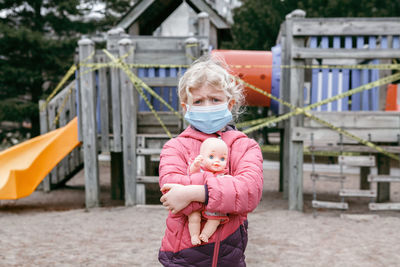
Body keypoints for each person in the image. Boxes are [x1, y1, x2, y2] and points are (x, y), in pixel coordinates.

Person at [158, 54, 264, 267]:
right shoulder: (174, 147)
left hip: (230, 256)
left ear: (230, 103)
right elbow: (172, 194)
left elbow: (249, 193)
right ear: (186, 107)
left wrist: (193, 193)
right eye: (198, 101)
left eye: (215, 99)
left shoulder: (245, 146)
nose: (207, 106)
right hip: (181, 257)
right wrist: (225, 192)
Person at [188, 137, 230, 245]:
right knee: (193, 217)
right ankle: (194, 235)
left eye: (222, 159)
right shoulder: (200, 170)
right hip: (197, 202)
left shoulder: (223, 175)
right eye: (211, 156)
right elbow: (192, 175)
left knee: (215, 220)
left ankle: (205, 235)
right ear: (202, 157)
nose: (217, 161)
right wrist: (195, 166)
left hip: (213, 206)